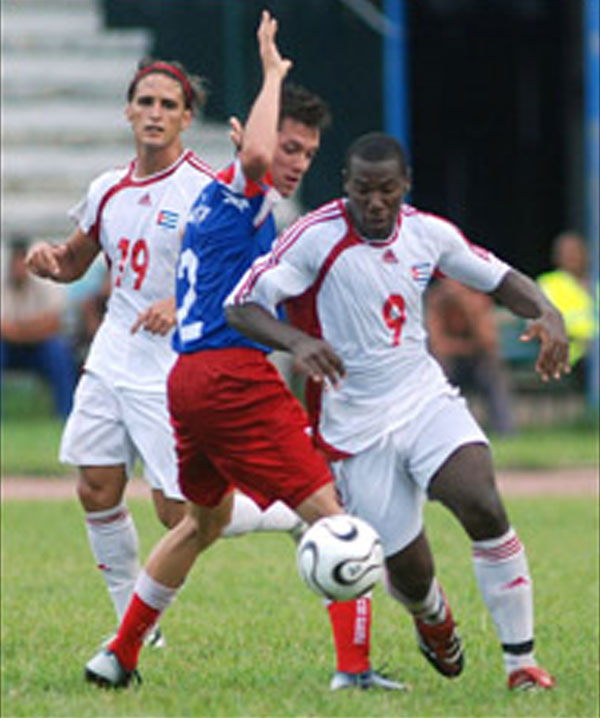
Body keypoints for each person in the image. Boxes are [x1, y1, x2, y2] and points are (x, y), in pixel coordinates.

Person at [83, 13, 404, 692]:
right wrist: (271, 70)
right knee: (337, 516)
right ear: (252, 134)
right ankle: (354, 671)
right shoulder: (240, 185)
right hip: (230, 374)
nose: (294, 162)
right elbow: (255, 161)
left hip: (187, 380)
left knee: (201, 522)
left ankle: (119, 652)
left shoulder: (216, 205)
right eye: (288, 146)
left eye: (308, 154)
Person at [226, 132, 570, 691]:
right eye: (364, 190)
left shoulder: (427, 234)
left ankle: (521, 665)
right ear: (347, 187)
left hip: (423, 399)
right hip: (355, 428)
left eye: (387, 190)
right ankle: (432, 616)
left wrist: (548, 311)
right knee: (411, 576)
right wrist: (297, 342)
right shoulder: (314, 237)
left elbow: (501, 278)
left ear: (404, 186)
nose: (376, 202)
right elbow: (240, 305)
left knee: (481, 502)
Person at [24, 53, 306, 651]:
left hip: (174, 363)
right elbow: (78, 260)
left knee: (183, 515)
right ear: (129, 111)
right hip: (111, 357)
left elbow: (245, 271)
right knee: (96, 486)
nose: (155, 113)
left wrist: (183, 306)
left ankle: (286, 510)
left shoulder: (206, 188)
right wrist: (51, 258)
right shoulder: (108, 189)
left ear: (186, 119)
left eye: (168, 105)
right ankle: (134, 625)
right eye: (145, 102)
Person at [426, 277, 515, 435]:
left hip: (477, 362)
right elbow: (438, 346)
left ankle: (505, 431)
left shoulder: (478, 301)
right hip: (451, 364)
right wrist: (466, 347)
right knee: (439, 369)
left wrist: (469, 309)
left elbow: (488, 343)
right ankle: (440, 432)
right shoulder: (436, 302)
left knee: (493, 371)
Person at [1, 235, 77, 419]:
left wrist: (18, 330)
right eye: (15, 262)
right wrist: (31, 328)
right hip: (8, 348)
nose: (18, 268)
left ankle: (65, 414)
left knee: (58, 351)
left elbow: (53, 323)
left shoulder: (45, 282)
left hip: (39, 347)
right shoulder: (3, 285)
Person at [537, 230, 596, 389]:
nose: (573, 257)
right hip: (575, 354)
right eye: (567, 253)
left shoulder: (595, 284)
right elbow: (546, 321)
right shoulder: (549, 283)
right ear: (557, 257)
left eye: (576, 252)